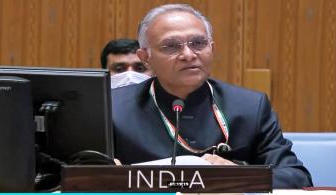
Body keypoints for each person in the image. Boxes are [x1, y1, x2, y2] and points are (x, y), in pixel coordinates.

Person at [111, 4, 313, 188]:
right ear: (145, 58)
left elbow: (295, 176)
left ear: (212, 49)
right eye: (171, 46)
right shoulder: (113, 107)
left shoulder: (250, 106)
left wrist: (238, 175)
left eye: (198, 43)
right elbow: (82, 173)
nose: (189, 54)